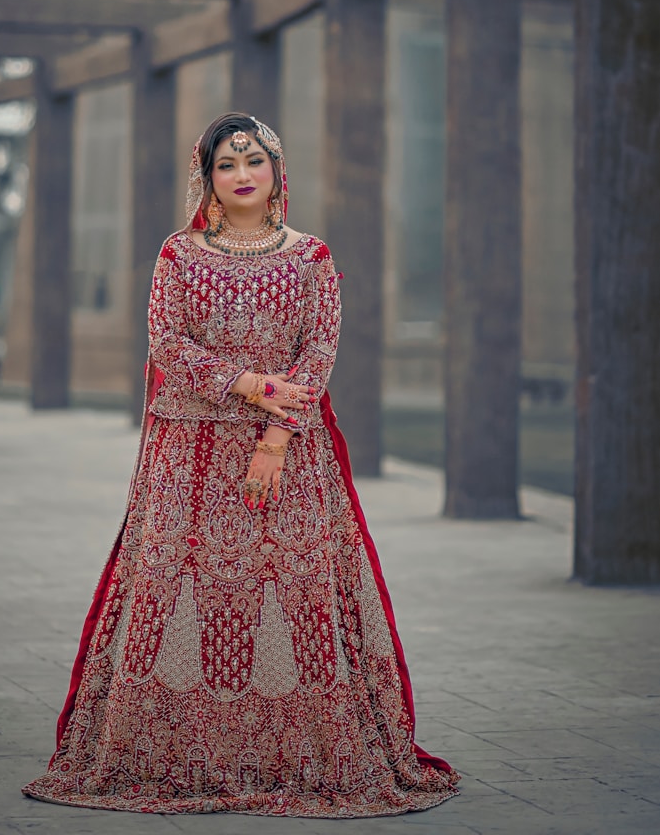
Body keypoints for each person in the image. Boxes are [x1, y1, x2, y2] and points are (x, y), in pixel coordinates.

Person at [23, 112, 459, 817]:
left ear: (275, 170)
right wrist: (248, 385)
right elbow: (166, 343)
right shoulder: (178, 254)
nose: (242, 173)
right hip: (188, 456)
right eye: (226, 164)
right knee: (169, 596)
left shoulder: (311, 256)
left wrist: (274, 438)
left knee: (295, 594)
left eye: (252, 159)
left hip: (288, 456)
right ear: (207, 178)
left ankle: (308, 755)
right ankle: (166, 757)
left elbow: (318, 353)